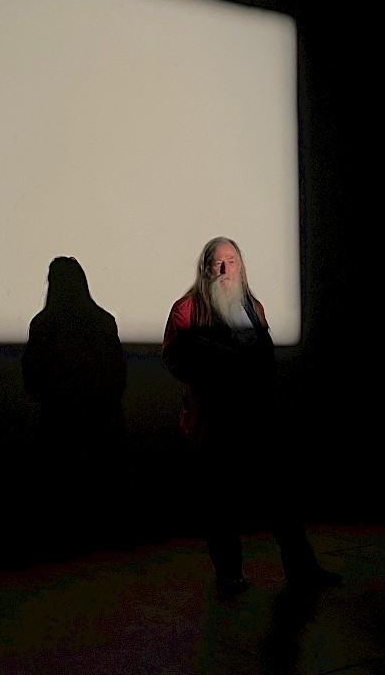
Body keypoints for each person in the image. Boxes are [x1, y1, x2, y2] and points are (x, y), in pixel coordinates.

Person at [162, 237, 342, 594]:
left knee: (281, 498)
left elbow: (266, 362)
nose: (225, 269)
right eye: (218, 262)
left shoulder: (253, 307)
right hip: (214, 424)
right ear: (205, 268)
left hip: (257, 421)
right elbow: (175, 359)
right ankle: (230, 575)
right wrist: (219, 364)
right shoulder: (187, 309)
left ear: (241, 265)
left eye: (231, 261)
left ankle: (302, 569)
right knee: (220, 505)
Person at [22, 256, 129, 553]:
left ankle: (63, 538)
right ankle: (105, 535)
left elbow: (33, 373)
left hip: (59, 415)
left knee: (61, 481)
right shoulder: (102, 321)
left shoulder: (44, 325)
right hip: (101, 414)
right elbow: (117, 370)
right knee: (103, 479)